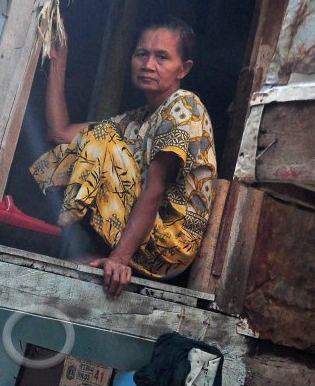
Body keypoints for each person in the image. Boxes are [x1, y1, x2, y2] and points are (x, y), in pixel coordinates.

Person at [31, 17, 216, 299]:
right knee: (93, 140)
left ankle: (104, 249)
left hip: (169, 244)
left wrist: (120, 259)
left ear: (183, 68)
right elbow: (59, 134)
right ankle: (82, 243)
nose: (148, 65)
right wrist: (58, 60)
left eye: (161, 57)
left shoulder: (184, 107)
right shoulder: (137, 119)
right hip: (143, 239)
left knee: (102, 140)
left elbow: (155, 189)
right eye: (142, 54)